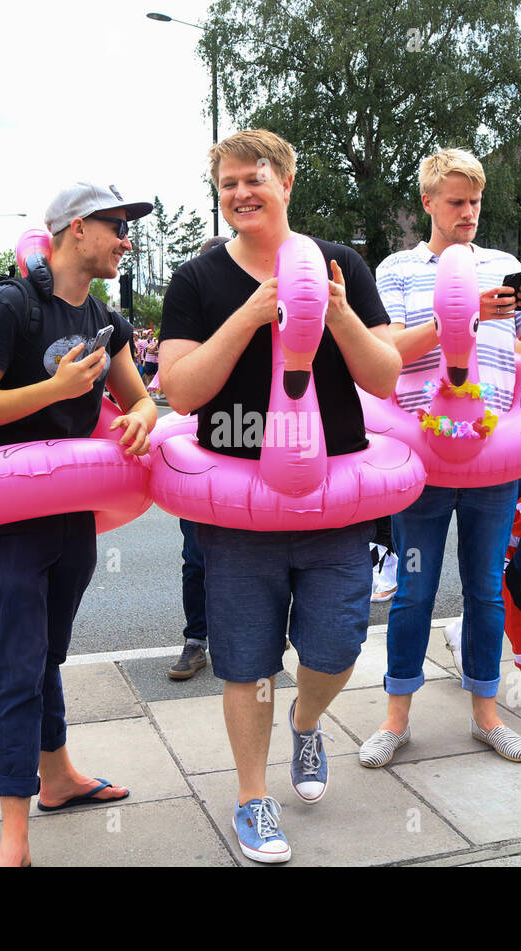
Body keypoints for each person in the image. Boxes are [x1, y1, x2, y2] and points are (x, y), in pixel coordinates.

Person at [160, 130, 400, 864]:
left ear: (288, 181)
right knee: (246, 663)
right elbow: (180, 389)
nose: (240, 194)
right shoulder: (197, 281)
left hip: (334, 501)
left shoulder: (344, 266)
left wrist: (336, 312)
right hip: (238, 511)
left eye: (253, 179)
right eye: (228, 183)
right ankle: (252, 799)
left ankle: (307, 721)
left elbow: (386, 377)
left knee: (335, 646)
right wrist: (251, 314)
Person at [0, 181, 156, 866]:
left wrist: (142, 415)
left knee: (46, 654)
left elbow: (141, 398)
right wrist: (56, 390)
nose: (125, 239)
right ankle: (13, 831)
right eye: (115, 226)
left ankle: (59, 777)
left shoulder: (102, 316)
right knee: (17, 663)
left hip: (74, 510)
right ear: (73, 230)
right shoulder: (10, 306)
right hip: (8, 513)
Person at [358, 147, 521, 772]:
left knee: (486, 593)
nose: (468, 212)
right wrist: (464, 312)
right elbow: (383, 352)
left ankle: (487, 714)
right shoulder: (395, 268)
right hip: (422, 456)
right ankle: (396, 720)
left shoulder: (504, 265)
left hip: (493, 460)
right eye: (455, 201)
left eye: (475, 201)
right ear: (428, 203)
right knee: (414, 591)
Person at [166, 236, 229, 682]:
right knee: (197, 553)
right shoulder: (193, 323)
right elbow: (181, 393)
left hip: (255, 449)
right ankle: (196, 640)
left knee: (255, 548)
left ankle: (249, 634)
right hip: (205, 448)